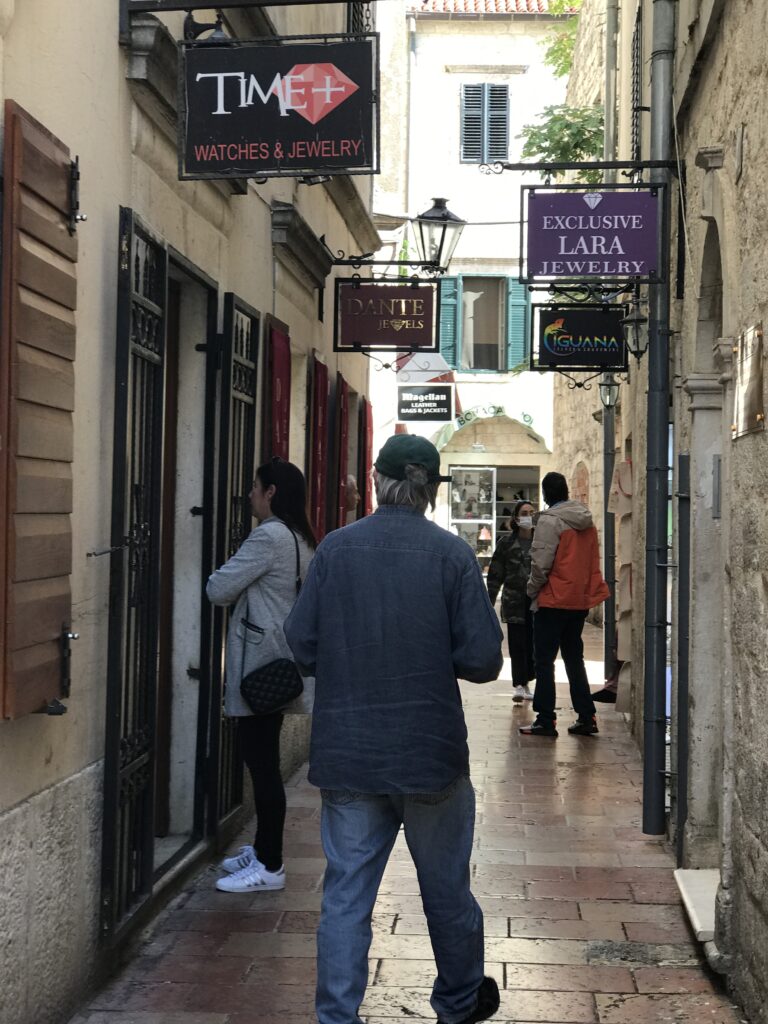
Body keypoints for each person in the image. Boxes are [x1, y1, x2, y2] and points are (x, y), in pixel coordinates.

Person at [284, 434, 503, 1024]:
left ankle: (337, 1016)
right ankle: (459, 1002)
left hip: (349, 751)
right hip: (429, 753)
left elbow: (301, 643)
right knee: (446, 890)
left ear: (376, 482)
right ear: (430, 491)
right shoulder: (452, 556)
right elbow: (484, 660)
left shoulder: (335, 550)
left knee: (346, 896)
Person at [207, 457, 316, 892]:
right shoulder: (299, 537)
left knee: (263, 768)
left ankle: (270, 866)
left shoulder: (269, 536)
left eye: (255, 487)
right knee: (264, 761)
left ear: (271, 492)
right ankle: (262, 849)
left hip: (260, 667)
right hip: (281, 662)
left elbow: (218, 589)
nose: (250, 495)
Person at [520, 471, 609, 739]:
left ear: (545, 494)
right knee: (574, 659)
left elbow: (541, 563)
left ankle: (546, 719)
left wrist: (531, 590)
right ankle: (586, 715)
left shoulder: (550, 521)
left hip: (553, 599)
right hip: (578, 600)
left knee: (544, 661)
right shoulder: (586, 521)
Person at [486, 499, 536, 703]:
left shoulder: (541, 541)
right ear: (516, 518)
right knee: (517, 644)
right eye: (524, 513)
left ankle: (528, 681)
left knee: (533, 644)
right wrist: (488, 602)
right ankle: (519, 684)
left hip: (537, 602)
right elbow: (495, 574)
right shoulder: (506, 544)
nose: (528, 517)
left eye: (531, 512)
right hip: (514, 601)